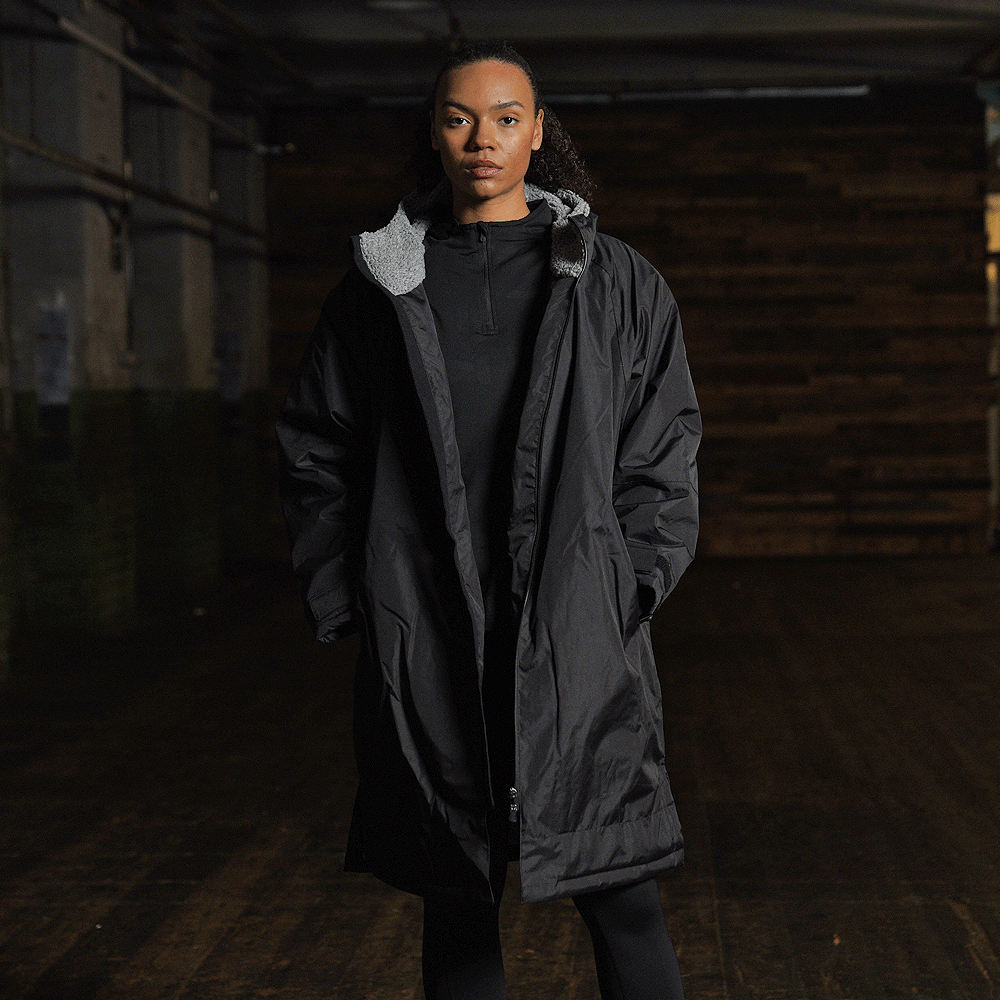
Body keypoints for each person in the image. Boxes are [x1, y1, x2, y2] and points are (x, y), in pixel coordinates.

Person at [276, 41, 700, 1000]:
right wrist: (351, 595)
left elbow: (663, 447)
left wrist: (626, 586)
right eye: (461, 118)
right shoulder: (378, 287)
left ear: (538, 133)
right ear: (435, 132)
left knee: (623, 892)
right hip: (429, 625)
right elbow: (315, 446)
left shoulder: (617, 283)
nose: (483, 139)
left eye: (507, 118)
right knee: (456, 892)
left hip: (576, 628)